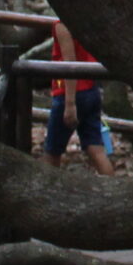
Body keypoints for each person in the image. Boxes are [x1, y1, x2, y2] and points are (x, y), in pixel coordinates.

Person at [44, 20, 115, 177]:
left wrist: (70, 104)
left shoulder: (63, 25)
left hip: (69, 94)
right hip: (91, 90)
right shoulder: (84, 19)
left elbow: (69, 64)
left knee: (52, 152)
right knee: (95, 148)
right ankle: (113, 186)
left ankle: (47, 192)